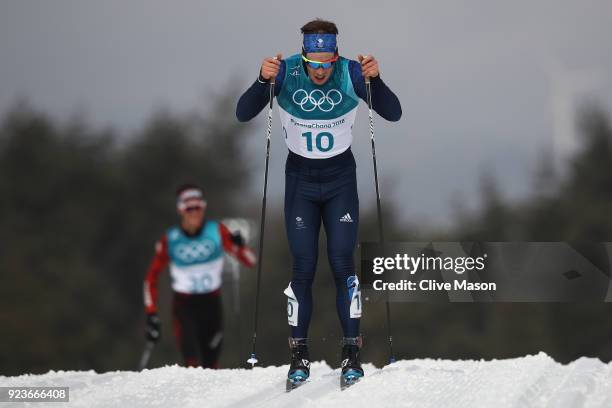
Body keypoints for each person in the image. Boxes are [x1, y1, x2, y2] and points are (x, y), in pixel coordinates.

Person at [236, 19, 401, 383]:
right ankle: (299, 357)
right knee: (303, 268)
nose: (322, 71)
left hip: (340, 181)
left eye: (328, 63)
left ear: (336, 56)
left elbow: (393, 112)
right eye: (315, 64)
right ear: (305, 57)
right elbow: (243, 112)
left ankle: (351, 353)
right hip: (301, 184)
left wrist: (377, 80)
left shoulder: (352, 73)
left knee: (344, 265)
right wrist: (263, 81)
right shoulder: (286, 72)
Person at [143, 184, 256, 368]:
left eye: (198, 207)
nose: (195, 213)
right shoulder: (170, 238)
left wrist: (240, 246)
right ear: (181, 210)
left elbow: (250, 261)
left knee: (211, 363)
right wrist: (151, 313)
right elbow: (151, 278)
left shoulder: (216, 230)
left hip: (211, 304)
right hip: (184, 306)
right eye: (189, 208)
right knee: (191, 362)